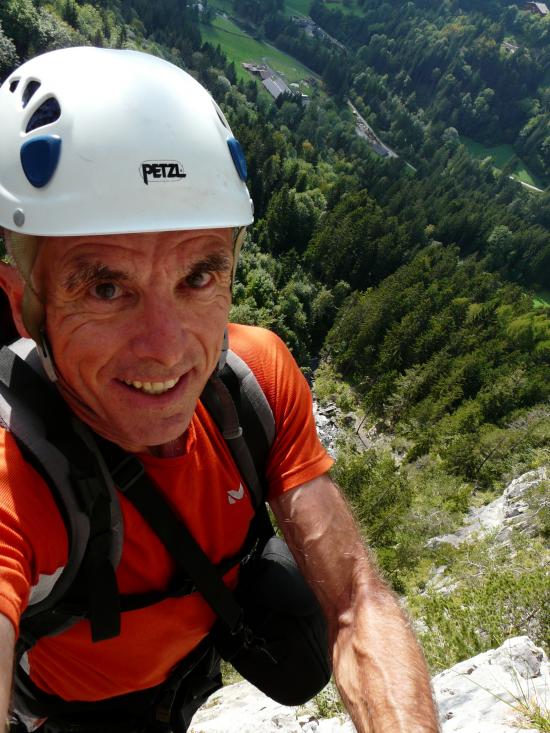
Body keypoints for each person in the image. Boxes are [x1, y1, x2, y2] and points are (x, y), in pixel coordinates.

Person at [0, 47, 440, 733]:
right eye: (106, 288)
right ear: (21, 303)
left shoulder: (254, 381)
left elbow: (357, 600)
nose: (168, 348)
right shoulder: (16, 469)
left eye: (198, 277)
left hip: (192, 677)